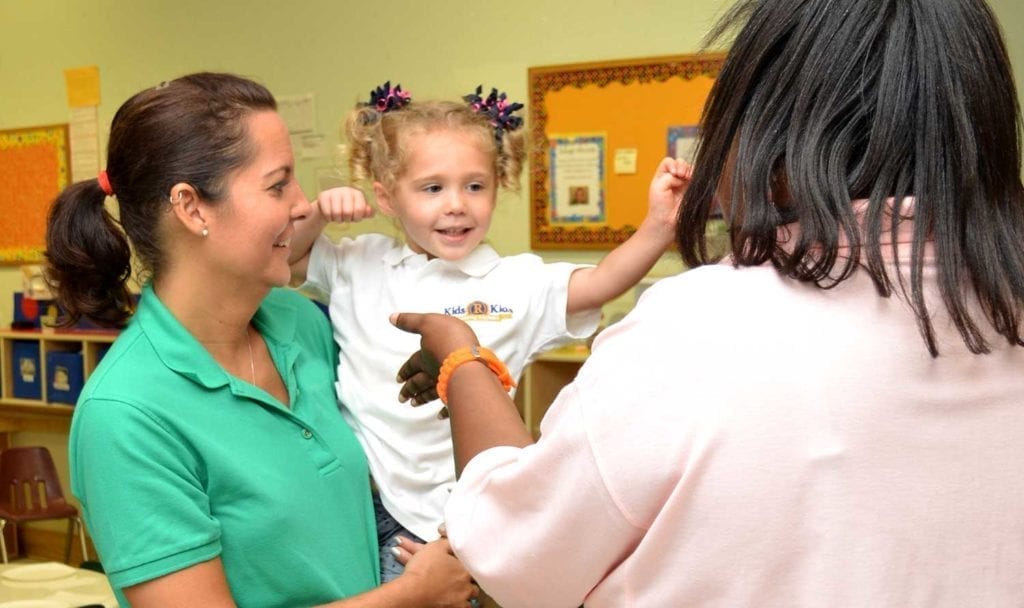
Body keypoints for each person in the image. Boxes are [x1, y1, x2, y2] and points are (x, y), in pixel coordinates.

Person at [391, 0, 1024, 605]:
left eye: (474, 186)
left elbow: (513, 552)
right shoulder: (1004, 308)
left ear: (765, 130)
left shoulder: (701, 332)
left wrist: (459, 357)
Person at [45, 72, 476, 608]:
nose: (302, 205)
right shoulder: (126, 415)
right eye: (278, 185)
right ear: (192, 207)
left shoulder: (302, 324)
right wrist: (414, 595)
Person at [288, 82, 690, 580]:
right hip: (357, 504)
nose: (457, 204)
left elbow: (598, 283)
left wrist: (657, 226)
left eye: (475, 186)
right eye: (433, 188)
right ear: (387, 197)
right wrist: (321, 212)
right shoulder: (356, 261)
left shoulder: (515, 280)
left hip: (455, 517)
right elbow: (284, 254)